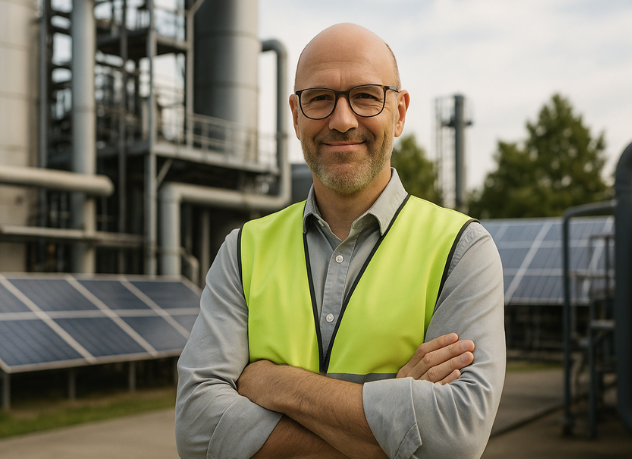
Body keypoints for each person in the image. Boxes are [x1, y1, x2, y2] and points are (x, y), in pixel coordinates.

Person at [175, 23, 506, 459]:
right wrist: (392, 425)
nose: (342, 119)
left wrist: (276, 383)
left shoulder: (461, 249)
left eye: (366, 95)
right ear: (296, 115)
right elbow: (197, 432)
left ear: (400, 112)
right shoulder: (243, 250)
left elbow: (453, 439)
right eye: (320, 98)